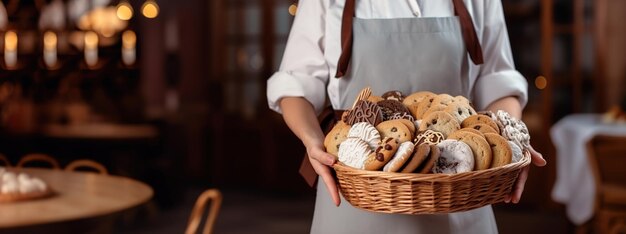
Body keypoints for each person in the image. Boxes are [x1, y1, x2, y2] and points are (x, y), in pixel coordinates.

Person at [267, 0, 546, 233]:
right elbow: (296, 84)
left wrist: (511, 140)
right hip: (356, 195)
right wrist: (314, 142)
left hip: (459, 193)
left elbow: (497, 81)